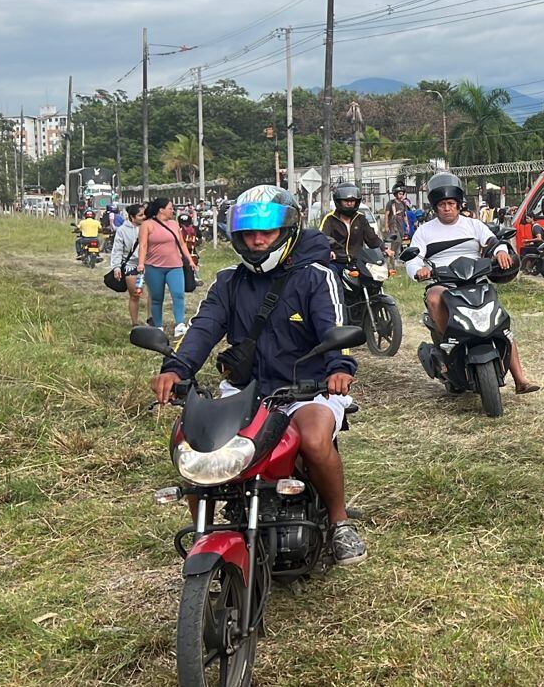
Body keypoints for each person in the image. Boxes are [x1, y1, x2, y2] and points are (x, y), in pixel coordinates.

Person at [148, 185, 367, 565]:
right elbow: (203, 328)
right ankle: (205, 532)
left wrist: (339, 369)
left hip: (306, 390)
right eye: (249, 233)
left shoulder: (316, 277)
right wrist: (175, 368)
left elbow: (334, 327)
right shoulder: (228, 282)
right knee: (197, 445)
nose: (258, 241)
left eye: (267, 232)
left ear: (287, 231)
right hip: (244, 391)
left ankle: (339, 522)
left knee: (315, 441)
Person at [406, 173, 540, 394]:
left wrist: (501, 252)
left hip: (475, 280)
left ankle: (520, 380)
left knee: (500, 323)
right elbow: (413, 258)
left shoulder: (473, 225)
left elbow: (493, 241)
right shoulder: (424, 231)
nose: (447, 208)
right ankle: (446, 341)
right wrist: (419, 270)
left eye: (451, 204)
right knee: (434, 297)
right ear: (435, 207)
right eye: (442, 205)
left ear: (459, 204)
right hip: (444, 282)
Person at [137, 198, 199, 337]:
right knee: (157, 297)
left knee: (178, 294)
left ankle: (180, 324)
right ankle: (158, 326)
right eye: (170, 208)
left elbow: (182, 244)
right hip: (153, 267)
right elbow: (143, 245)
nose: (173, 211)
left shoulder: (174, 224)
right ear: (161, 210)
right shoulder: (147, 225)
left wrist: (190, 260)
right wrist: (141, 263)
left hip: (175, 266)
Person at [321, 184, 389, 268]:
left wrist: (384, 248)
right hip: (336, 262)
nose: (349, 203)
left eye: (352, 201)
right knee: (331, 273)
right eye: (346, 201)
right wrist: (330, 251)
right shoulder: (330, 219)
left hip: (358, 262)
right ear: (338, 201)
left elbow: (372, 238)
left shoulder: (361, 218)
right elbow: (323, 238)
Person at [107, 204, 148, 326]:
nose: (144, 217)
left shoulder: (149, 227)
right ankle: (135, 323)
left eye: (144, 214)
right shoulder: (122, 230)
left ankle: (152, 320)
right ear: (132, 217)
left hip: (148, 264)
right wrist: (116, 267)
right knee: (135, 294)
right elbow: (117, 250)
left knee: (153, 295)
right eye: (140, 215)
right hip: (131, 266)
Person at [384, 186, 412, 253]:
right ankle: (392, 254)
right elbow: (386, 215)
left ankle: (393, 256)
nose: (401, 195)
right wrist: (386, 226)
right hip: (393, 226)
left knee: (399, 242)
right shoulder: (391, 203)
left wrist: (407, 225)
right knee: (397, 240)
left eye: (402, 194)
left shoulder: (403, 204)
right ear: (395, 194)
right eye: (400, 194)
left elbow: (404, 215)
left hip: (400, 226)